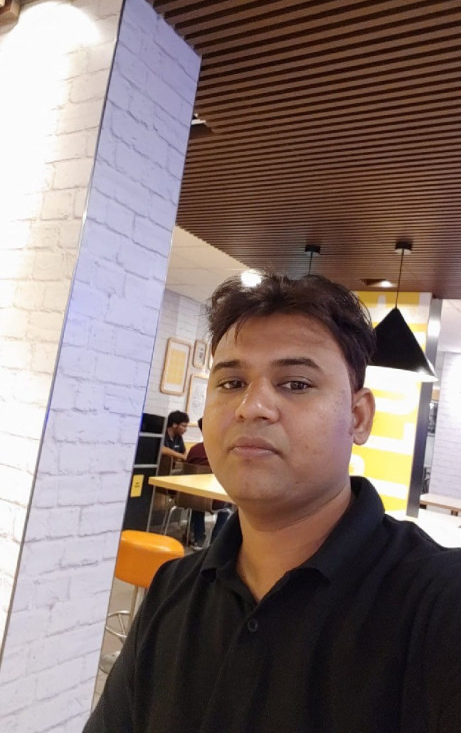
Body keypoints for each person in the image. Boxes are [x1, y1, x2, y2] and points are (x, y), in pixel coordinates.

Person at [84, 273, 461, 733]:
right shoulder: (173, 588)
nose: (251, 406)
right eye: (231, 383)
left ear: (359, 417)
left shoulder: (440, 604)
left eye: (296, 384)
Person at [186, 417, 231, 551]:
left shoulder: (194, 449)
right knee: (228, 506)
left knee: (197, 503)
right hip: (215, 499)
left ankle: (198, 538)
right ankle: (215, 541)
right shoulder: (223, 450)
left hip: (190, 497)